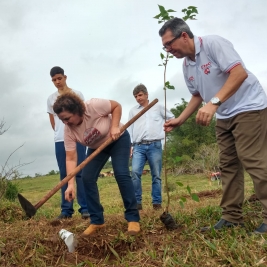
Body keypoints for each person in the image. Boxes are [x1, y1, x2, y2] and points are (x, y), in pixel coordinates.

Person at [159, 18, 267, 234]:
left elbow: (239, 73)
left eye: (169, 44)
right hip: (224, 114)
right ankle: (232, 217)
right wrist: (181, 119)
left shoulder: (213, 44)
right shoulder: (187, 65)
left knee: (254, 160)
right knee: (228, 165)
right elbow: (197, 95)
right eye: (164, 47)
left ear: (184, 36)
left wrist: (213, 103)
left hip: (248, 107)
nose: (168, 50)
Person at [53, 92, 140, 236]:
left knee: (121, 173)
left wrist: (114, 126)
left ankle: (132, 218)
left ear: (77, 110)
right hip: (97, 148)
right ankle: (97, 221)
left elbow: (116, 106)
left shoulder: (93, 105)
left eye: (67, 118)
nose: (65, 123)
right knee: (87, 178)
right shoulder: (68, 130)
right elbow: (70, 158)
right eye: (62, 120)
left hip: (117, 138)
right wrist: (70, 185)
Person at [47, 67, 89, 220]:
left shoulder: (77, 94)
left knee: (80, 172)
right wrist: (61, 133)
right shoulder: (50, 99)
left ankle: (85, 208)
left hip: (78, 138)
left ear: (65, 77)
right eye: (54, 80)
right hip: (60, 140)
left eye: (59, 78)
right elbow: (53, 121)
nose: (57, 82)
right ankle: (66, 210)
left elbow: (83, 115)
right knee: (64, 174)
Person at [128, 84, 174, 210]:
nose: (138, 98)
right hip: (138, 146)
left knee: (156, 175)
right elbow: (130, 128)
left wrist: (169, 126)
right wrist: (130, 145)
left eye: (140, 95)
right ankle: (137, 202)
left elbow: (171, 117)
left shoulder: (157, 107)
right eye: (136, 96)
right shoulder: (133, 111)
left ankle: (157, 203)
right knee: (135, 172)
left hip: (155, 145)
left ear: (146, 94)